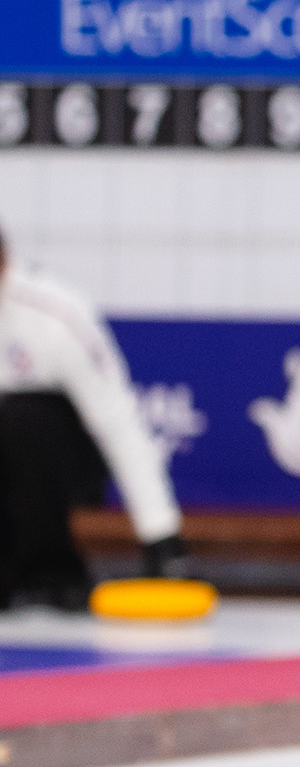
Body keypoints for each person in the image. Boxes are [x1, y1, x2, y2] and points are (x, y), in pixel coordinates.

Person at [0, 232, 187, 610]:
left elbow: (118, 422)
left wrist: (160, 534)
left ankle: (49, 570)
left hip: (64, 456)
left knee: (21, 419)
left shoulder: (55, 315)